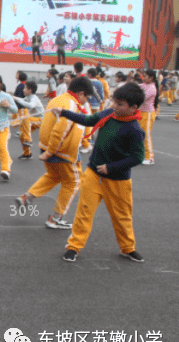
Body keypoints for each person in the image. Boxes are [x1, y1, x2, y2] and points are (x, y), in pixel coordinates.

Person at [58, 83, 146, 263]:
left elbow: (137, 157)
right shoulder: (108, 114)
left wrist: (111, 168)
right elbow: (89, 120)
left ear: (133, 108)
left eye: (120, 104)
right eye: (115, 101)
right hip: (93, 175)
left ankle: (128, 248)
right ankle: (74, 246)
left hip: (118, 181)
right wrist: (64, 112)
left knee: (122, 217)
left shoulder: (135, 130)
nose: (115, 106)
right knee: (84, 212)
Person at [16, 76, 94, 230]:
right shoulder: (72, 104)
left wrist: (47, 150)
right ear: (81, 93)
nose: (87, 101)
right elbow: (60, 130)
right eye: (87, 97)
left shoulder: (58, 99)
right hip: (62, 151)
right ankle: (56, 218)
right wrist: (51, 151)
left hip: (49, 147)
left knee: (53, 176)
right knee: (73, 182)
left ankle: (27, 197)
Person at [12, 81, 44, 160]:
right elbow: (23, 99)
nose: (23, 90)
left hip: (42, 119)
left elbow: (30, 105)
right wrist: (14, 98)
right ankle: (27, 153)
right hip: (34, 120)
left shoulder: (34, 98)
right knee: (22, 135)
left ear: (29, 90)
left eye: (24, 88)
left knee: (27, 119)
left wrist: (17, 99)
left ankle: (28, 140)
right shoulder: (28, 97)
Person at [138, 69, 158, 166]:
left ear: (151, 78)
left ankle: (150, 157)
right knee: (138, 134)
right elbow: (137, 86)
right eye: (143, 76)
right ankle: (139, 154)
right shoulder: (145, 85)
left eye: (145, 76)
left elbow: (141, 98)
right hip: (141, 112)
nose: (144, 78)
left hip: (148, 113)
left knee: (146, 135)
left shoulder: (152, 88)